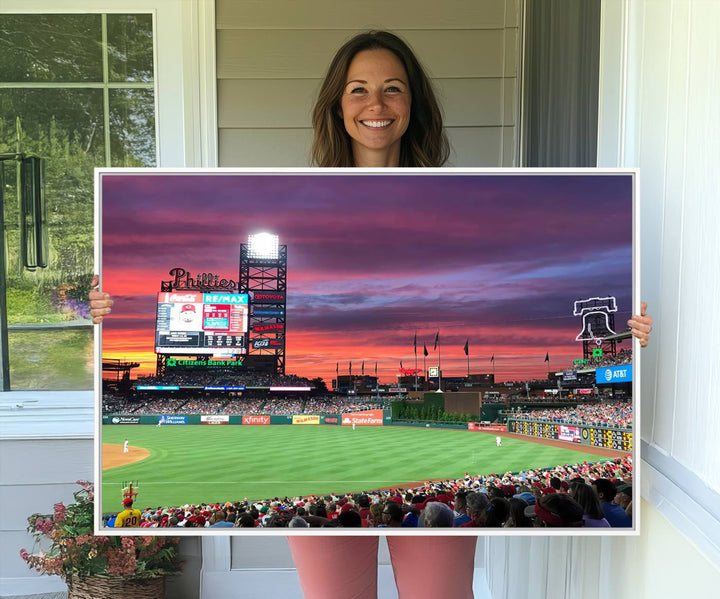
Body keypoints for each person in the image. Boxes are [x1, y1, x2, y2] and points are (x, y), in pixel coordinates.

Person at [90, 29, 653, 599]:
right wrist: (98, 312)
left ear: (414, 104)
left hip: (435, 496)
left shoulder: (462, 192)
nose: (376, 105)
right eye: (358, 89)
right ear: (337, 104)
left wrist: (632, 338)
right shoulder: (296, 193)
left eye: (393, 89)